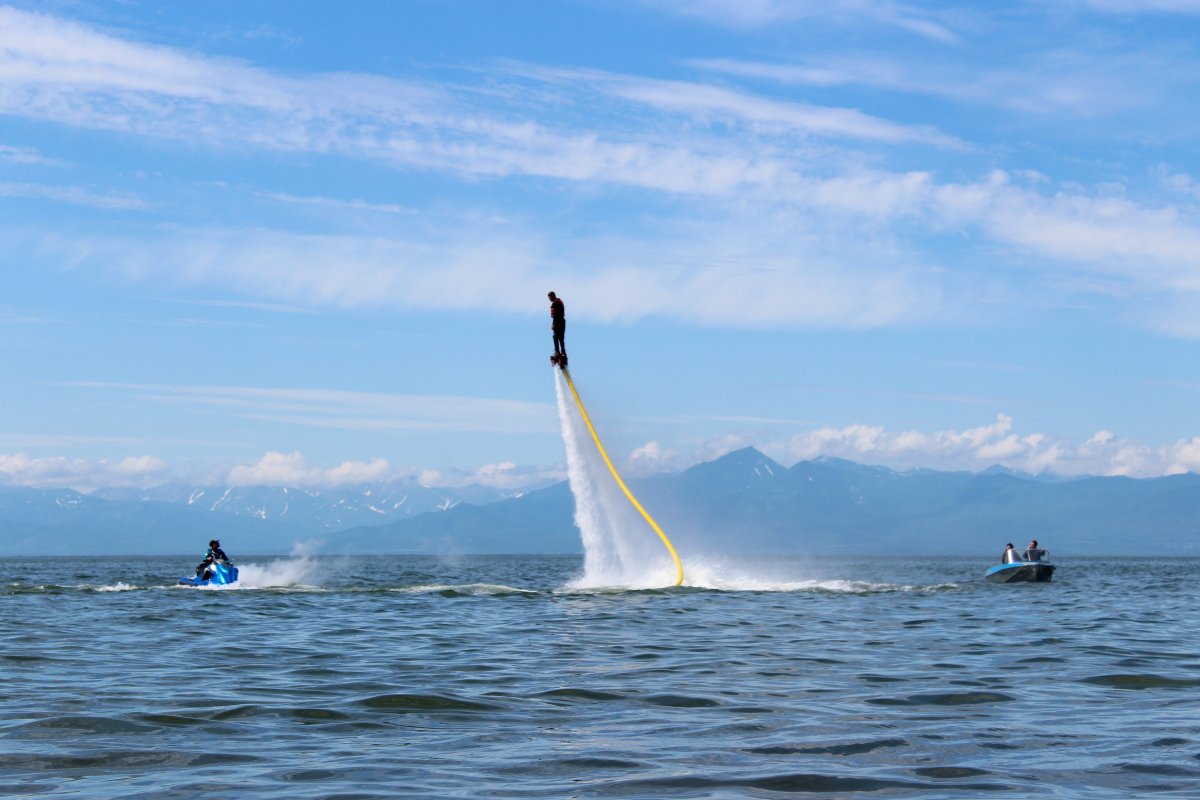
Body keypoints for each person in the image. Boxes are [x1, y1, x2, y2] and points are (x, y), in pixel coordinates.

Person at [548, 291, 566, 360]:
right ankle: (563, 352)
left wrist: (553, 325)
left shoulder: (555, 303)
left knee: (555, 337)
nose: (549, 299)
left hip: (558, 322)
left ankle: (557, 352)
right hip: (562, 321)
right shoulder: (559, 301)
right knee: (561, 338)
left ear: (553, 296)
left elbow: (556, 316)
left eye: (549, 297)